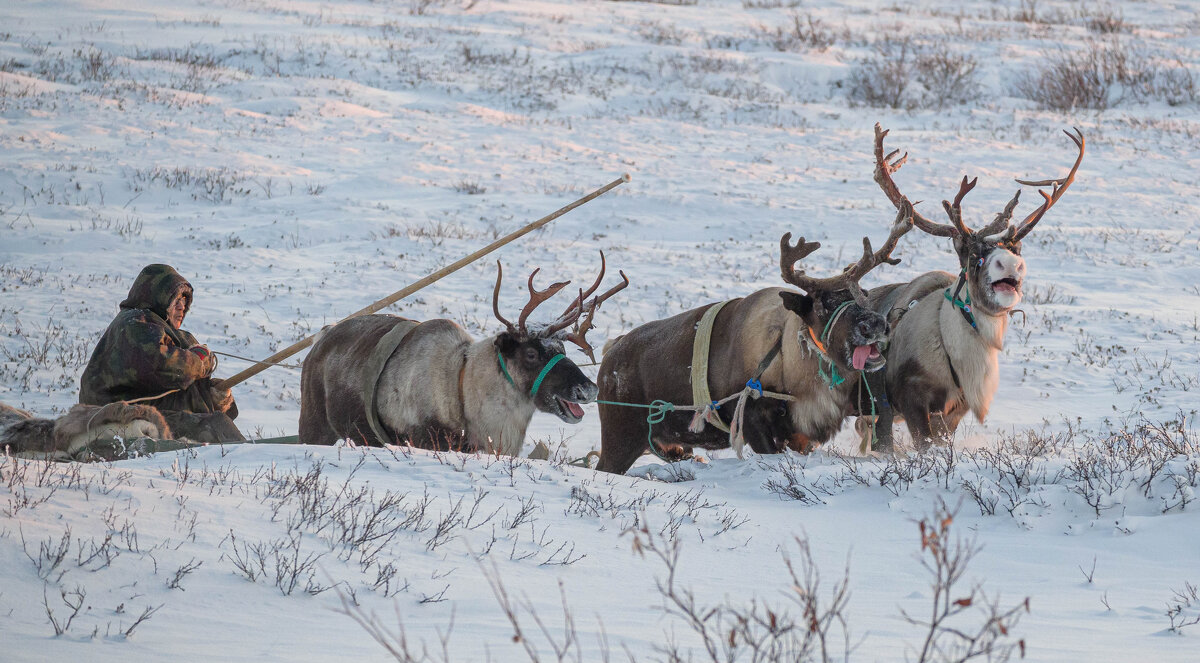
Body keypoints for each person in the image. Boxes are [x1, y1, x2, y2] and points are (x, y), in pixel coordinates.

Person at [79, 264, 244, 444]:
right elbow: (158, 365)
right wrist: (197, 362)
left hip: (144, 417)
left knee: (215, 423)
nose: (182, 307)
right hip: (120, 421)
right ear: (158, 297)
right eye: (176, 300)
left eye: (184, 301)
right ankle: (249, 458)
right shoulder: (136, 323)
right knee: (213, 426)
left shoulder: (157, 329)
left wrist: (211, 396)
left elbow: (162, 393)